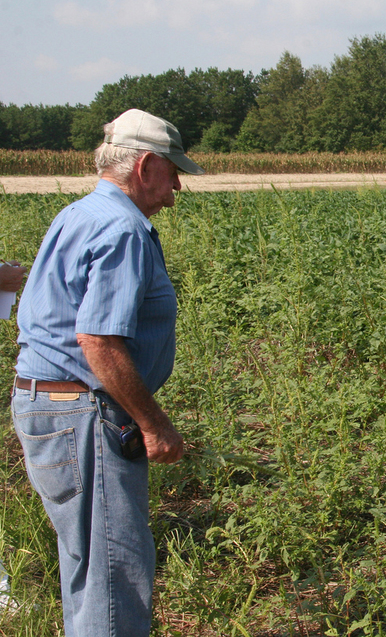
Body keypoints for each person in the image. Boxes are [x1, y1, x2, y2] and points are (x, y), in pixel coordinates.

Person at [11, 108, 204, 636]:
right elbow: (98, 339)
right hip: (84, 417)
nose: (177, 187)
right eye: (173, 171)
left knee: (91, 568)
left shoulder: (78, 213)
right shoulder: (122, 229)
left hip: (51, 407)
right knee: (114, 577)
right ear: (145, 167)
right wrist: (153, 422)